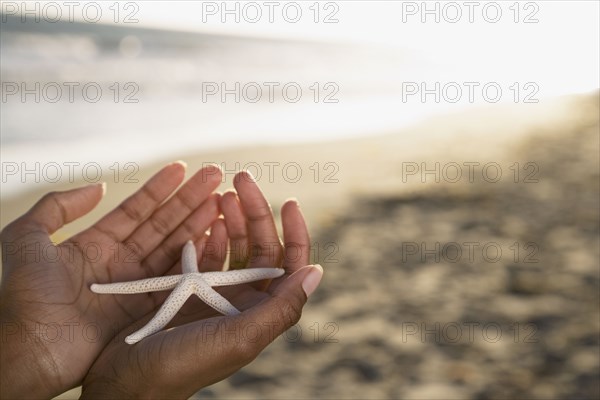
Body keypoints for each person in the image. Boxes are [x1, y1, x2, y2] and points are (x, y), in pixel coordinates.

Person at [0, 162, 323, 399]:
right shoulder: (191, 270)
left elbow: (205, 266)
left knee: (254, 275)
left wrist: (30, 356)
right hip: (187, 280)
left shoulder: (190, 267)